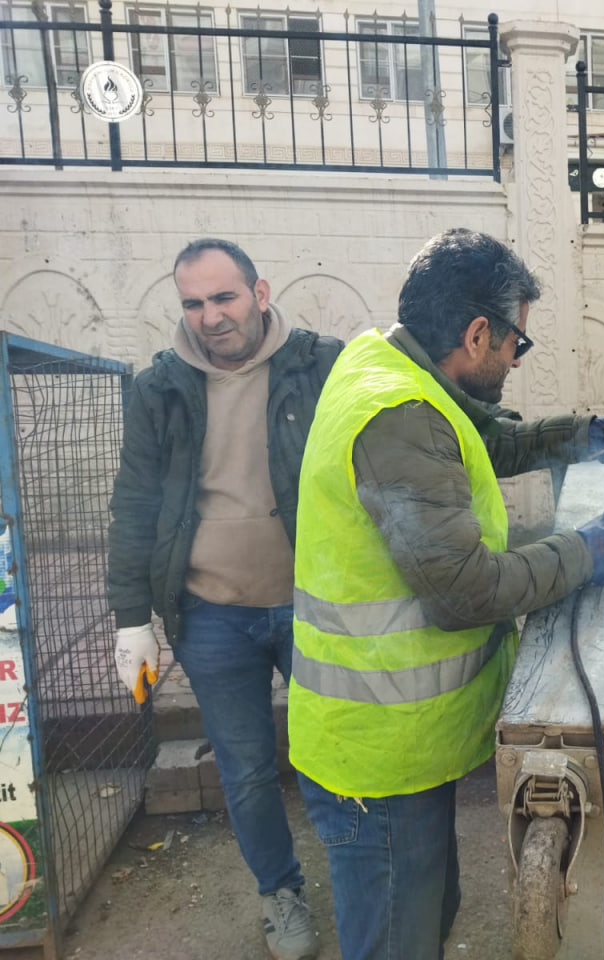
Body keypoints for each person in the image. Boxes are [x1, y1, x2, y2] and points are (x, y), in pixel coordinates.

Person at [287, 228, 604, 960]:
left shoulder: (387, 363)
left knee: (427, 914)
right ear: (477, 331)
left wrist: (581, 437)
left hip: (399, 746)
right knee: (400, 937)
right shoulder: (398, 414)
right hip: (378, 754)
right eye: (516, 345)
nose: (516, 361)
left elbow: (480, 438)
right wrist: (588, 552)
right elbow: (461, 591)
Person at [108, 238, 342, 960]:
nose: (210, 316)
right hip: (209, 613)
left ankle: (362, 875)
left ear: (260, 291)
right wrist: (130, 621)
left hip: (314, 604)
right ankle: (281, 894)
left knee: (335, 754)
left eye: (224, 297)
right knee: (244, 769)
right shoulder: (160, 388)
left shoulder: (320, 365)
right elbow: (135, 503)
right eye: (193, 303)